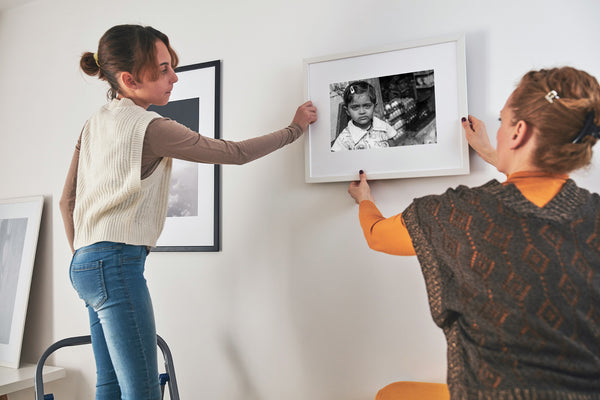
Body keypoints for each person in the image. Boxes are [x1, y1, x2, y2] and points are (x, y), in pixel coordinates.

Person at [59, 24, 316, 400]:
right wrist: (294, 129)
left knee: (109, 385)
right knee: (143, 390)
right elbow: (235, 153)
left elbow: (67, 200)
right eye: (163, 70)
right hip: (115, 263)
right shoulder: (150, 127)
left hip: (84, 263)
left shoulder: (92, 124)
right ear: (129, 79)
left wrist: (84, 256)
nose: (174, 77)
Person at [347, 67, 600, 399]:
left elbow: (378, 235)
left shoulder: (455, 214)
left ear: (518, 132)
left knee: (389, 395)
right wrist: (494, 156)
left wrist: (365, 199)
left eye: (502, 122)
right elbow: (535, 189)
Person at [331, 80, 400, 151]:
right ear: (347, 111)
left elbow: (393, 146)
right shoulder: (344, 139)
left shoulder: (382, 127)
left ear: (374, 107)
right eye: (355, 107)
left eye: (367, 106)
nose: (362, 112)